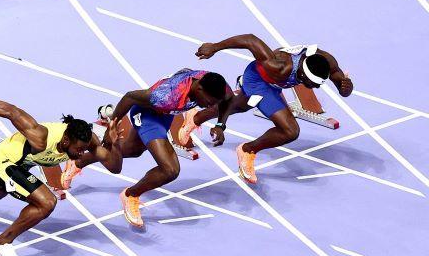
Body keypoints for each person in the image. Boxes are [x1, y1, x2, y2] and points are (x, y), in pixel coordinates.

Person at [0, 91, 111, 256]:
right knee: (47, 202)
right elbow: (11, 111)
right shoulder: (41, 137)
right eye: (80, 149)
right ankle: (2, 242)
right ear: (66, 140)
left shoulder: (85, 140)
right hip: (7, 160)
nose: (83, 153)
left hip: (22, 164)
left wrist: (113, 143)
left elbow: (115, 166)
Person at [186, 34, 353, 184]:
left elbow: (342, 83)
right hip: (258, 81)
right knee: (290, 131)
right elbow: (250, 40)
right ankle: (247, 150)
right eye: (313, 85)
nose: (315, 88)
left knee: (240, 105)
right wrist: (215, 47)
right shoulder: (279, 66)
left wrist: (346, 88)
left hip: (275, 82)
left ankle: (195, 118)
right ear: (302, 75)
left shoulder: (325, 61)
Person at [101, 68, 233, 227]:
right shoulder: (166, 95)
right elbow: (130, 97)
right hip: (147, 114)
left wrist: (220, 125)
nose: (210, 107)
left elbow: (228, 99)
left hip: (166, 114)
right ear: (199, 89)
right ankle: (131, 195)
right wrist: (111, 127)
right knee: (170, 170)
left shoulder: (214, 84)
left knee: (132, 151)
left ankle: (87, 156)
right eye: (210, 102)